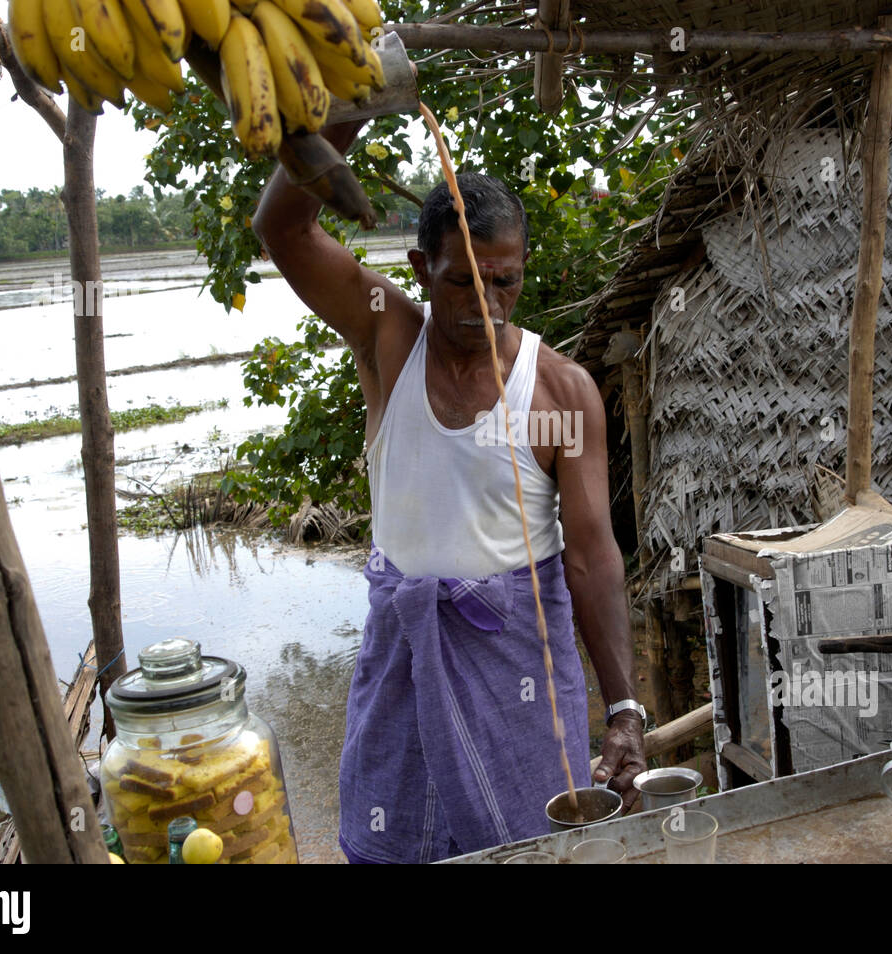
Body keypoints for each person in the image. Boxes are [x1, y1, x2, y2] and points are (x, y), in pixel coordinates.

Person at [252, 119, 644, 863]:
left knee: (536, 843)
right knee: (392, 841)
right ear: (421, 267)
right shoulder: (387, 338)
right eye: (463, 278)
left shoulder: (560, 391)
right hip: (406, 651)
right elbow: (280, 226)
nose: (487, 301)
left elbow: (592, 557)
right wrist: (352, 104)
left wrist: (623, 705)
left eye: (506, 280)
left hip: (517, 665)